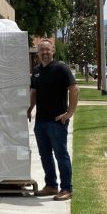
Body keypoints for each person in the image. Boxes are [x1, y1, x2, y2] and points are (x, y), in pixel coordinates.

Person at [27, 39, 79, 201]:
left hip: (57, 122)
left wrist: (69, 113)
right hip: (40, 121)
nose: (44, 52)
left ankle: (66, 188)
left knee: (60, 155)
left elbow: (74, 89)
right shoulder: (36, 71)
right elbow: (34, 92)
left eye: (47, 50)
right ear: (37, 53)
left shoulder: (61, 68)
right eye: (41, 50)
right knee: (45, 155)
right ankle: (51, 185)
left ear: (53, 51)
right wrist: (29, 109)